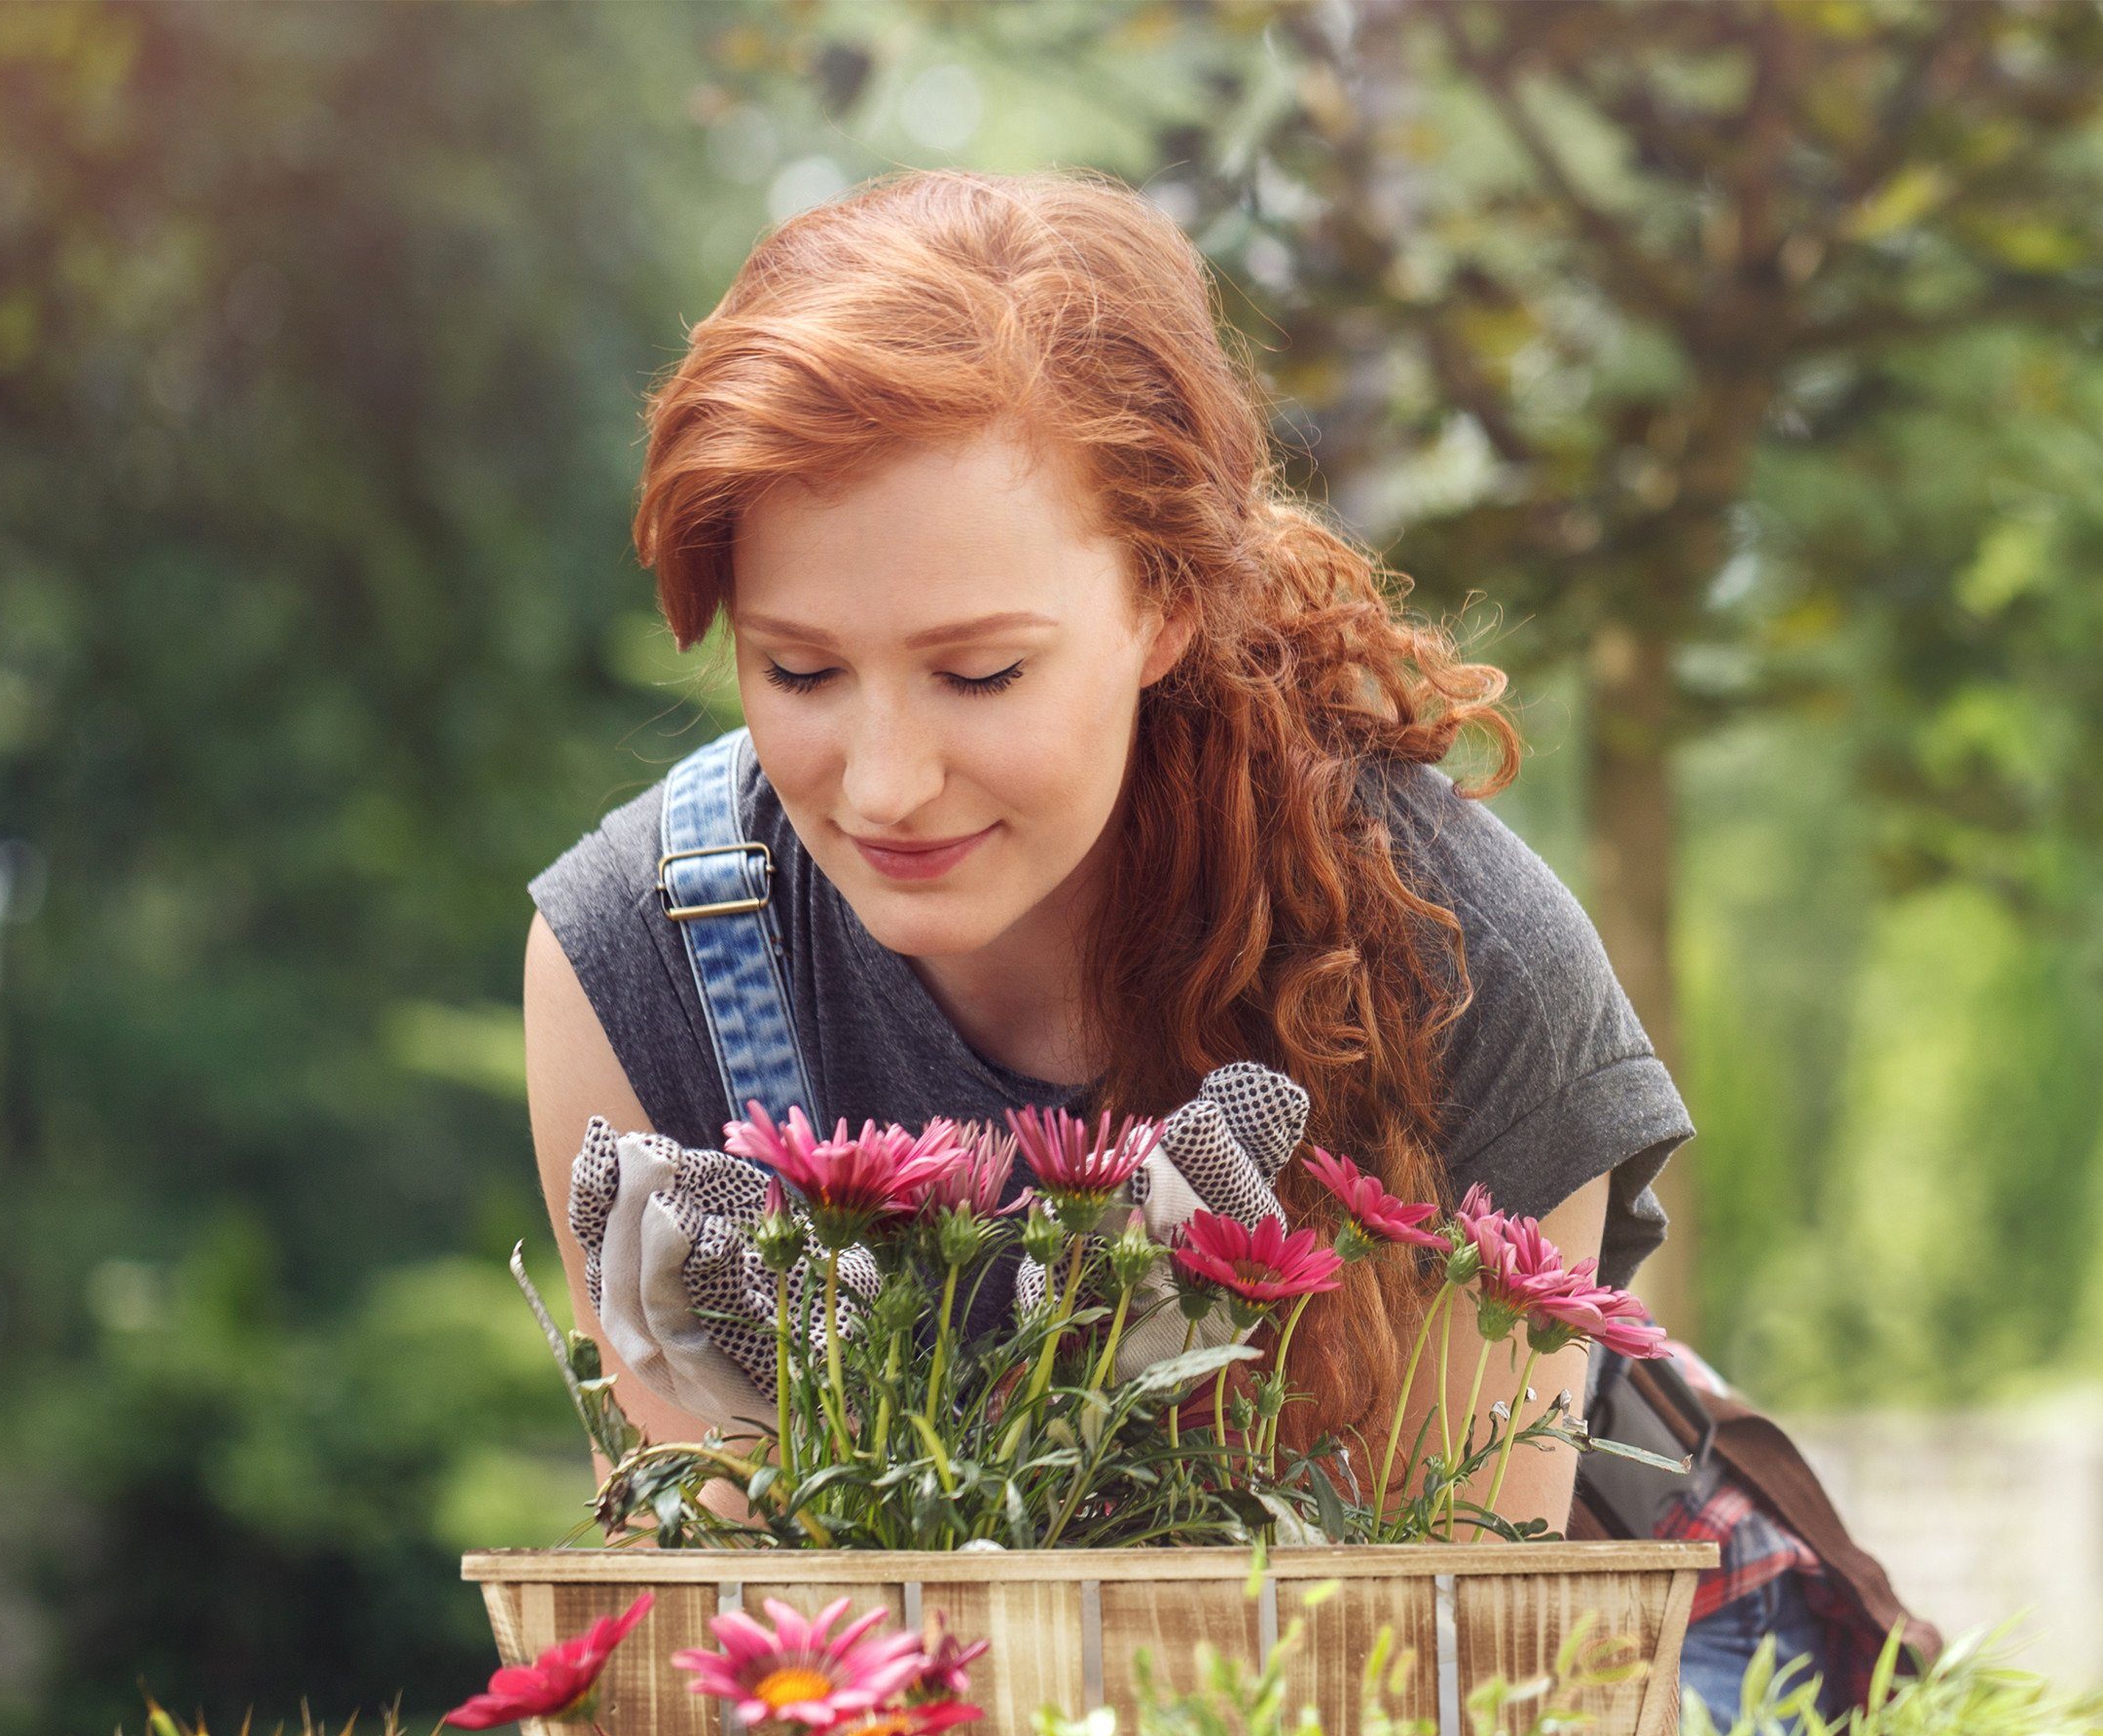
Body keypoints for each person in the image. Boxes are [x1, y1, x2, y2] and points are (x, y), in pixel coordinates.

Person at [524, 165, 1694, 1548]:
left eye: (980, 675)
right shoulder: (644, 962)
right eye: (799, 669)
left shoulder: (1468, 972)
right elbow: (737, 1644)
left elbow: (1460, 1690)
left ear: (1166, 602)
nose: (888, 786)